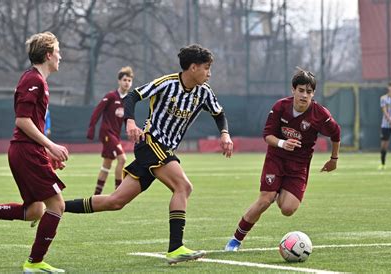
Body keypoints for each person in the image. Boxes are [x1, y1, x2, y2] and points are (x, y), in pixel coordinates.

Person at [64, 44, 234, 264]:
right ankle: (176, 248)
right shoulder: (167, 83)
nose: (209, 73)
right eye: (206, 68)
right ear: (193, 67)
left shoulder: (204, 92)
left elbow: (219, 114)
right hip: (151, 142)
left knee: (115, 201)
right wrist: (131, 121)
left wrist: (225, 133)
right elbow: (133, 96)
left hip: (162, 150)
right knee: (184, 187)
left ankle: (58, 205)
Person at [0, 31, 69, 273]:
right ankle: (34, 262)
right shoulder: (33, 80)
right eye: (58, 51)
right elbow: (22, 121)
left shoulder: (38, 80)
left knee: (35, 210)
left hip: (27, 150)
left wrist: (46, 152)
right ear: (48, 55)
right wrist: (50, 145)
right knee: (56, 206)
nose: (61, 56)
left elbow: (30, 124)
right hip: (26, 151)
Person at [224, 68, 341, 252]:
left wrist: (334, 159)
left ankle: (278, 191)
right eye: (301, 90)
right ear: (293, 90)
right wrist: (282, 143)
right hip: (276, 159)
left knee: (287, 209)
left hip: (299, 166)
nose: (304, 95)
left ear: (313, 94)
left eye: (309, 92)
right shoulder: (280, 107)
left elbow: (336, 133)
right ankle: (235, 241)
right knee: (265, 200)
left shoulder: (320, 114)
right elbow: (267, 135)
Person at [86, 66, 134, 194]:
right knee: (122, 159)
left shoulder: (128, 100)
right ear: (119, 81)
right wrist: (92, 128)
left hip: (115, 135)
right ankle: (119, 192)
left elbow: (127, 118)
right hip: (107, 133)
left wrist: (130, 130)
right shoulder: (111, 96)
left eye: (129, 80)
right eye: (124, 80)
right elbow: (97, 111)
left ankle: (96, 195)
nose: (127, 83)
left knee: (107, 165)